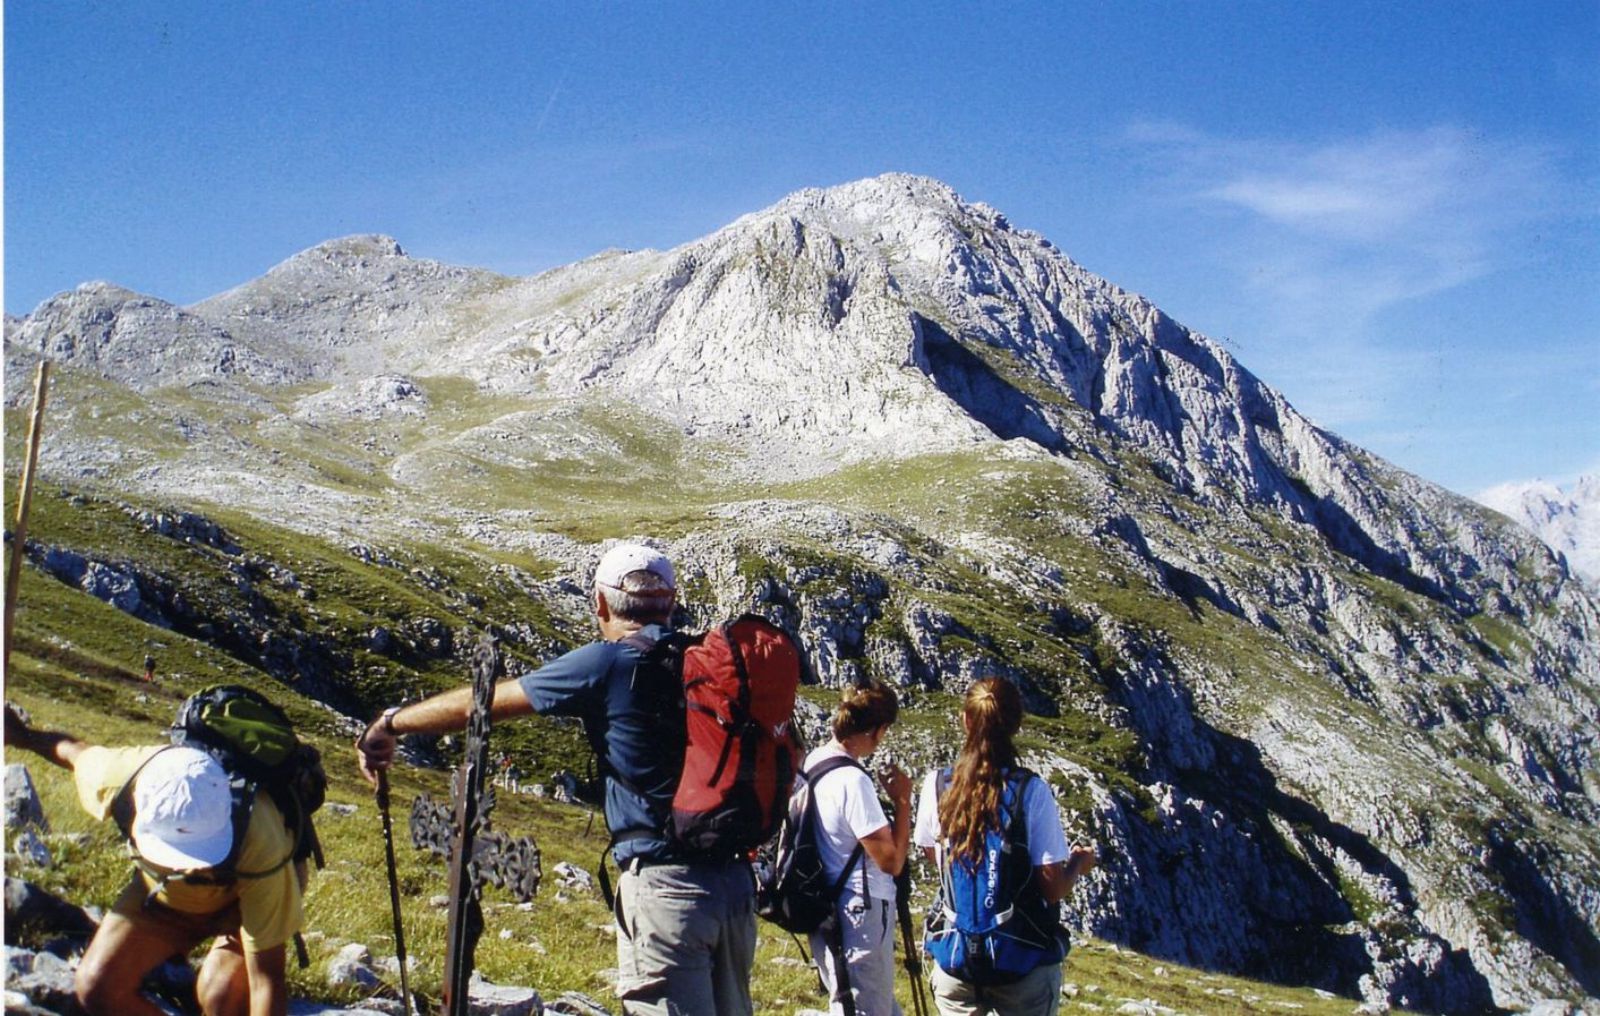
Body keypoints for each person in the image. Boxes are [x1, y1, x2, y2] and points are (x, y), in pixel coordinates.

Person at [355, 542, 755, 1016]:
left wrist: (392, 721)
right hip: (734, 887)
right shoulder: (708, 662)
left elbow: (483, 703)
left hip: (667, 890)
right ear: (670, 602)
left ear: (601, 604)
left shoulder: (608, 662)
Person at [3, 705, 308, 1016]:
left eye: (203, 853)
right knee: (97, 988)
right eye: (177, 853)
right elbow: (72, 752)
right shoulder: (121, 776)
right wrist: (21, 736)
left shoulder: (262, 843)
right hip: (161, 892)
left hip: (239, 902)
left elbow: (266, 982)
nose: (191, 867)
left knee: (222, 999)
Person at [912, 678, 1097, 1016]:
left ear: (965, 720)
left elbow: (935, 856)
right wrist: (1077, 865)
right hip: (1021, 963)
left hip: (956, 959)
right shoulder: (1030, 791)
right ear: (1016, 724)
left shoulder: (938, 785)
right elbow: (1052, 887)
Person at [802, 683, 912, 1016]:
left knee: (856, 1001)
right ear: (878, 730)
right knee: (868, 1008)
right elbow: (890, 861)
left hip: (825, 904)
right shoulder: (854, 781)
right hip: (860, 910)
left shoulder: (815, 762)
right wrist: (903, 802)